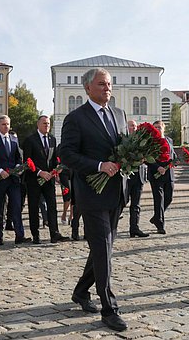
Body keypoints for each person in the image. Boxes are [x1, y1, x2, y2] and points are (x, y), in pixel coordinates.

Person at [60, 67, 128, 332]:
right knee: (102, 248)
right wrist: (98, 165)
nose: (107, 88)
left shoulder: (120, 114)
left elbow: (124, 147)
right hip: (91, 193)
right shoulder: (76, 118)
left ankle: (80, 291)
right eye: (101, 84)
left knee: (104, 248)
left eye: (109, 84)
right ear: (87, 88)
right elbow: (67, 155)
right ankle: (110, 309)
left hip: (116, 193)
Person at [23, 115, 69, 244]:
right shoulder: (30, 140)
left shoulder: (52, 140)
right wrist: (40, 172)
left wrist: (56, 169)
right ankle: (35, 234)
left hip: (49, 180)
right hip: (34, 180)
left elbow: (54, 159)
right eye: (44, 123)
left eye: (48, 123)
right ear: (38, 125)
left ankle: (54, 233)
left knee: (52, 206)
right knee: (33, 207)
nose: (47, 125)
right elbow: (27, 161)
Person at [0, 115, 28, 245]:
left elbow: (18, 159)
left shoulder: (14, 140)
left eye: (8, 124)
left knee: (16, 206)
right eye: (3, 124)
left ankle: (19, 235)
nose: (6, 126)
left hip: (13, 180)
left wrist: (17, 168)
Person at [148, 120, 176, 234]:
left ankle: (156, 217)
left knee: (168, 198)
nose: (158, 129)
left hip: (169, 173)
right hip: (156, 174)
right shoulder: (150, 141)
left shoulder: (169, 140)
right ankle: (160, 225)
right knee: (159, 199)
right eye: (155, 127)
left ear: (164, 128)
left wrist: (173, 163)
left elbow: (173, 155)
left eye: (159, 127)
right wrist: (157, 167)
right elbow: (147, 158)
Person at [124, 120, 149, 238]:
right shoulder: (123, 140)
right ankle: (111, 226)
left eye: (135, 126)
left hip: (139, 176)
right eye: (131, 126)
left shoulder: (142, 140)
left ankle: (134, 228)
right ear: (127, 127)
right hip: (126, 176)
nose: (133, 128)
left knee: (136, 205)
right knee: (122, 202)